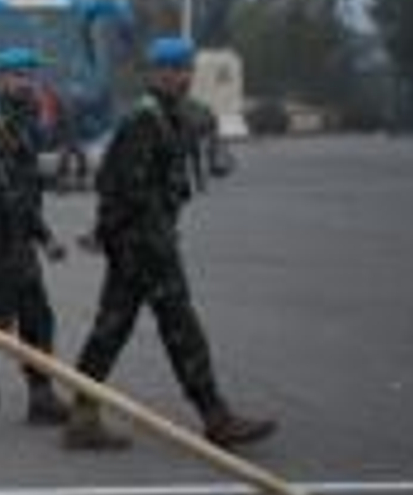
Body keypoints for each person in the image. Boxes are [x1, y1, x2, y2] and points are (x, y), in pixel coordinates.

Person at [65, 36, 276, 451]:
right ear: (157, 73)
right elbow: (119, 185)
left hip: (144, 240)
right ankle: (215, 416)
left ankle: (83, 414)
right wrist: (113, 234)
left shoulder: (170, 114)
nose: (183, 77)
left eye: (186, 69)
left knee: (112, 328)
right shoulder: (144, 119)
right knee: (180, 328)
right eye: (175, 70)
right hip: (144, 244)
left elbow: (196, 137)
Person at [0, 48, 70, 425]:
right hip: (0, 239)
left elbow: (29, 182)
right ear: (0, 81)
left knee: (37, 319)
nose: (26, 83)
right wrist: (45, 236)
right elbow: (6, 193)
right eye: (18, 76)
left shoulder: (25, 118)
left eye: (30, 75)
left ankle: (40, 395)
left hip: (19, 238)